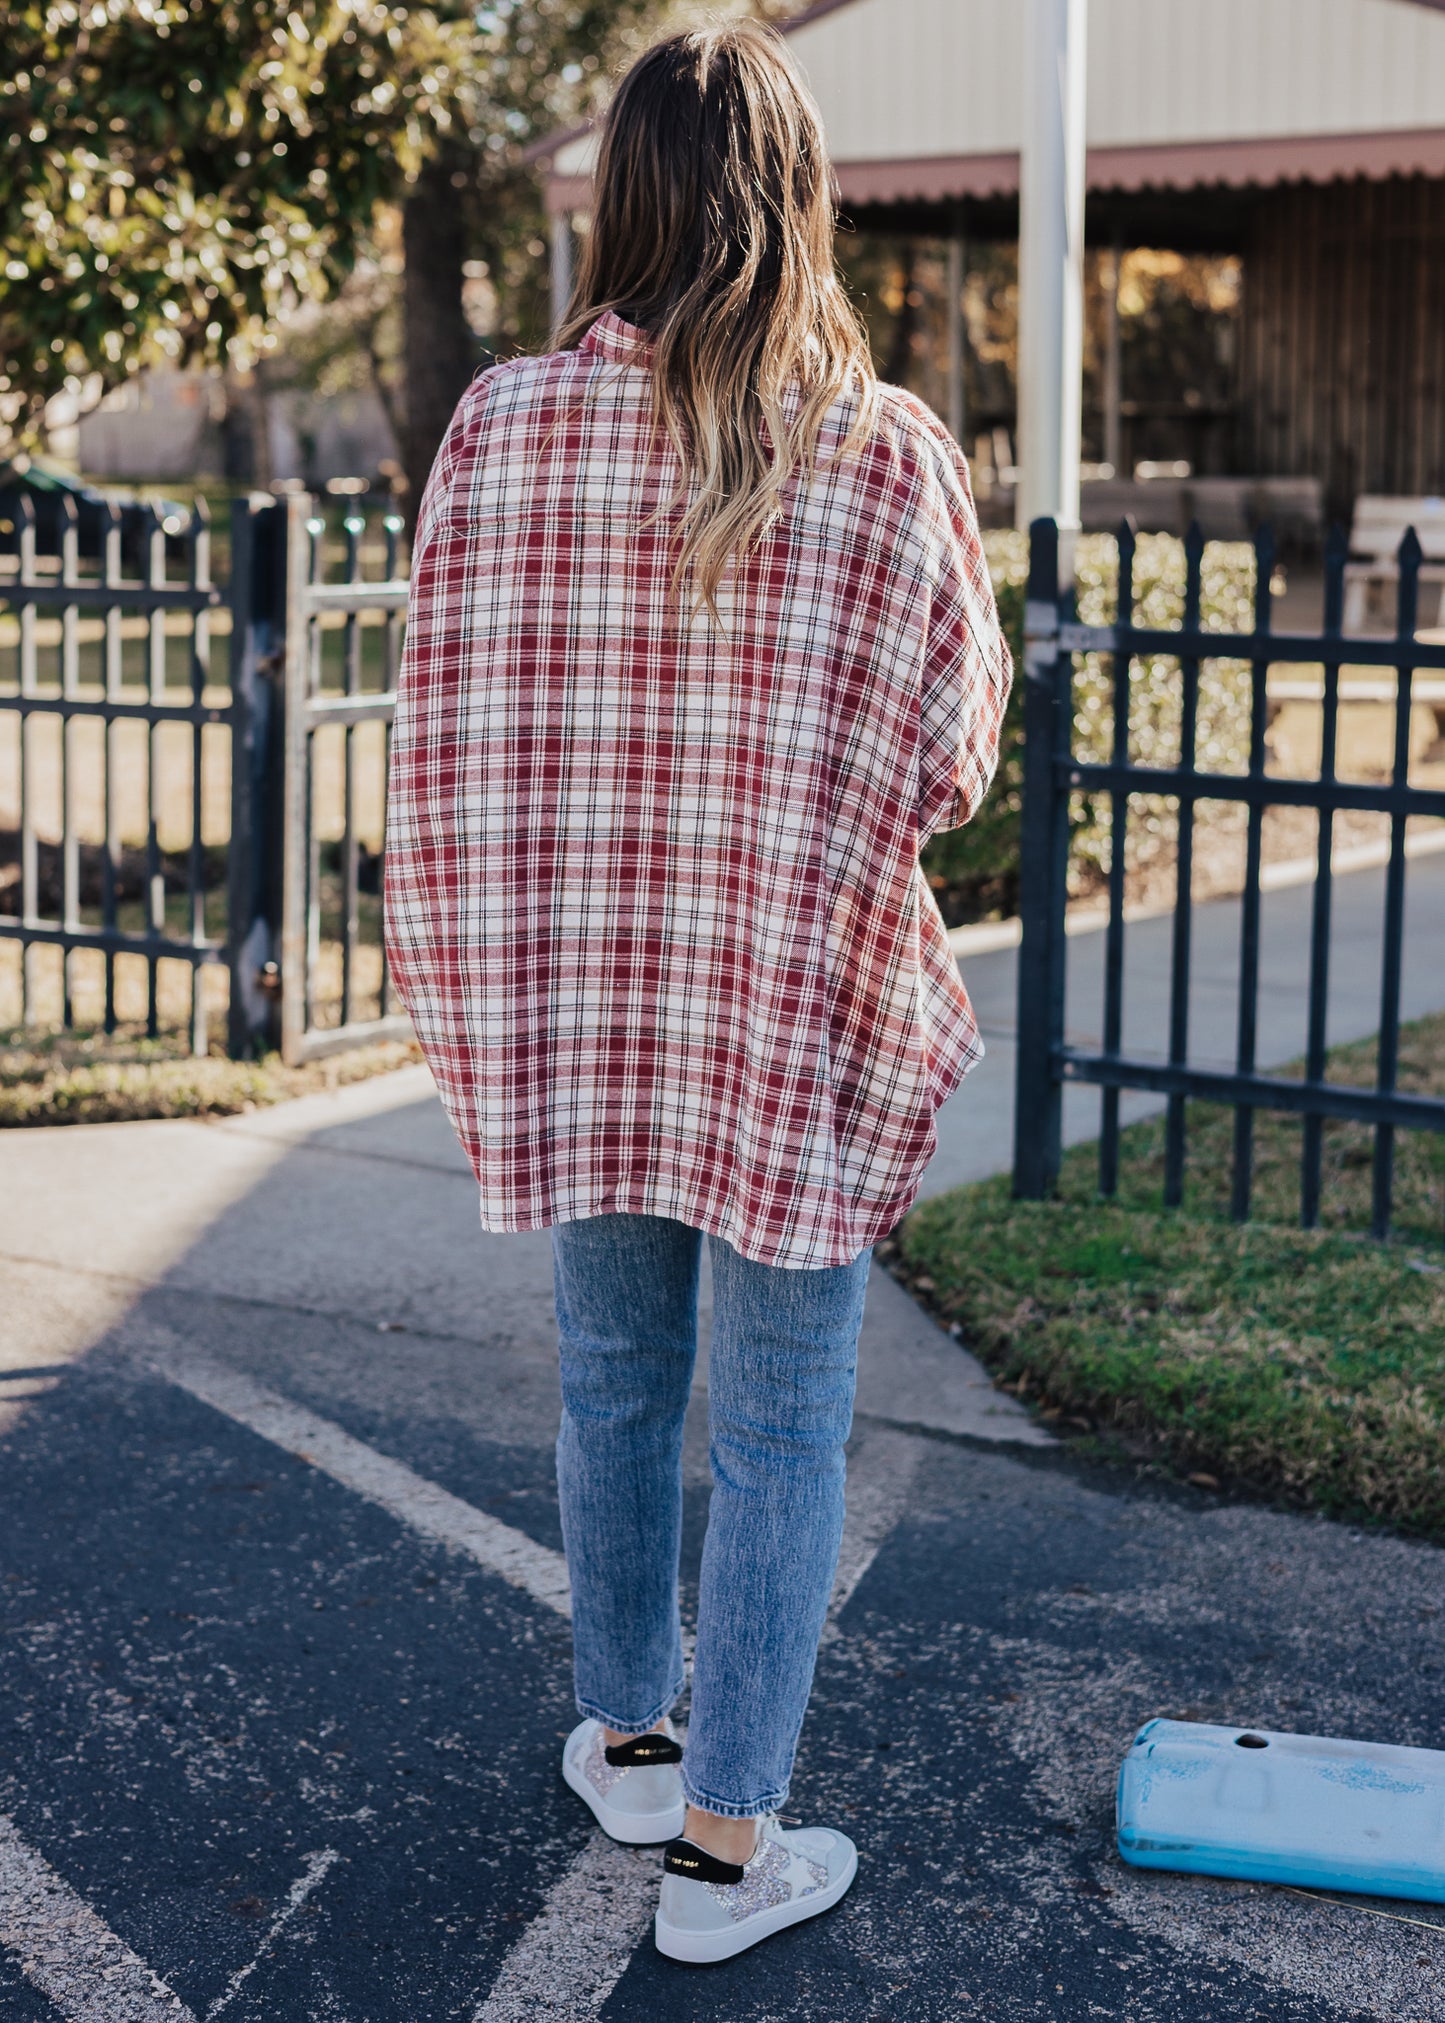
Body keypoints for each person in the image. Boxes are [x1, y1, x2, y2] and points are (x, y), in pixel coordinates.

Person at [383, 19, 1011, 1968]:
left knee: (613, 1373)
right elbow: (951, 762)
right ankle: (728, 1856)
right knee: (786, 1418)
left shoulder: (500, 424)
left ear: (622, 202)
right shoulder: (884, 450)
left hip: (585, 996)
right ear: (795, 202)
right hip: (787, 1005)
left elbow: (437, 720)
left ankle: (638, 1746)